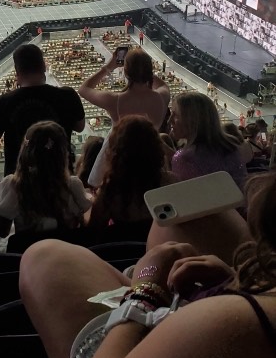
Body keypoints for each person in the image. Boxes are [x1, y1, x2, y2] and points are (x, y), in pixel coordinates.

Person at [19, 170, 276, 358]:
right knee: (170, 228)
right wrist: (235, 281)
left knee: (44, 256)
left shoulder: (231, 329)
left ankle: (137, 285)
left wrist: (145, 289)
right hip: (204, 330)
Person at [0, 44, 85, 175]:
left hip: (19, 184)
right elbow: (80, 127)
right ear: (43, 66)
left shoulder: (5, 102)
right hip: (60, 180)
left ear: (17, 71)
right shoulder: (68, 95)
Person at [78, 47, 170, 187]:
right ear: (149, 71)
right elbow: (163, 85)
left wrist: (110, 66)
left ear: (126, 72)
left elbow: (83, 89)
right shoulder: (162, 97)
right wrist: (143, 69)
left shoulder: (114, 101)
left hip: (118, 161)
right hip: (149, 158)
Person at [0, 121, 91, 239]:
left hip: (26, 253)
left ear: (25, 153)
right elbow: (84, 223)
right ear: (63, 154)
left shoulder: (14, 185)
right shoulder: (72, 185)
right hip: (65, 253)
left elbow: (3, 232)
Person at [87, 115, 176, 242]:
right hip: (161, 248)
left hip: (125, 254)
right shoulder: (170, 183)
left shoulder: (110, 189)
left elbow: (95, 229)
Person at [170, 90, 248, 193]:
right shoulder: (231, 148)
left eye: (175, 115)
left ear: (192, 121)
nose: (169, 120)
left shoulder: (183, 159)